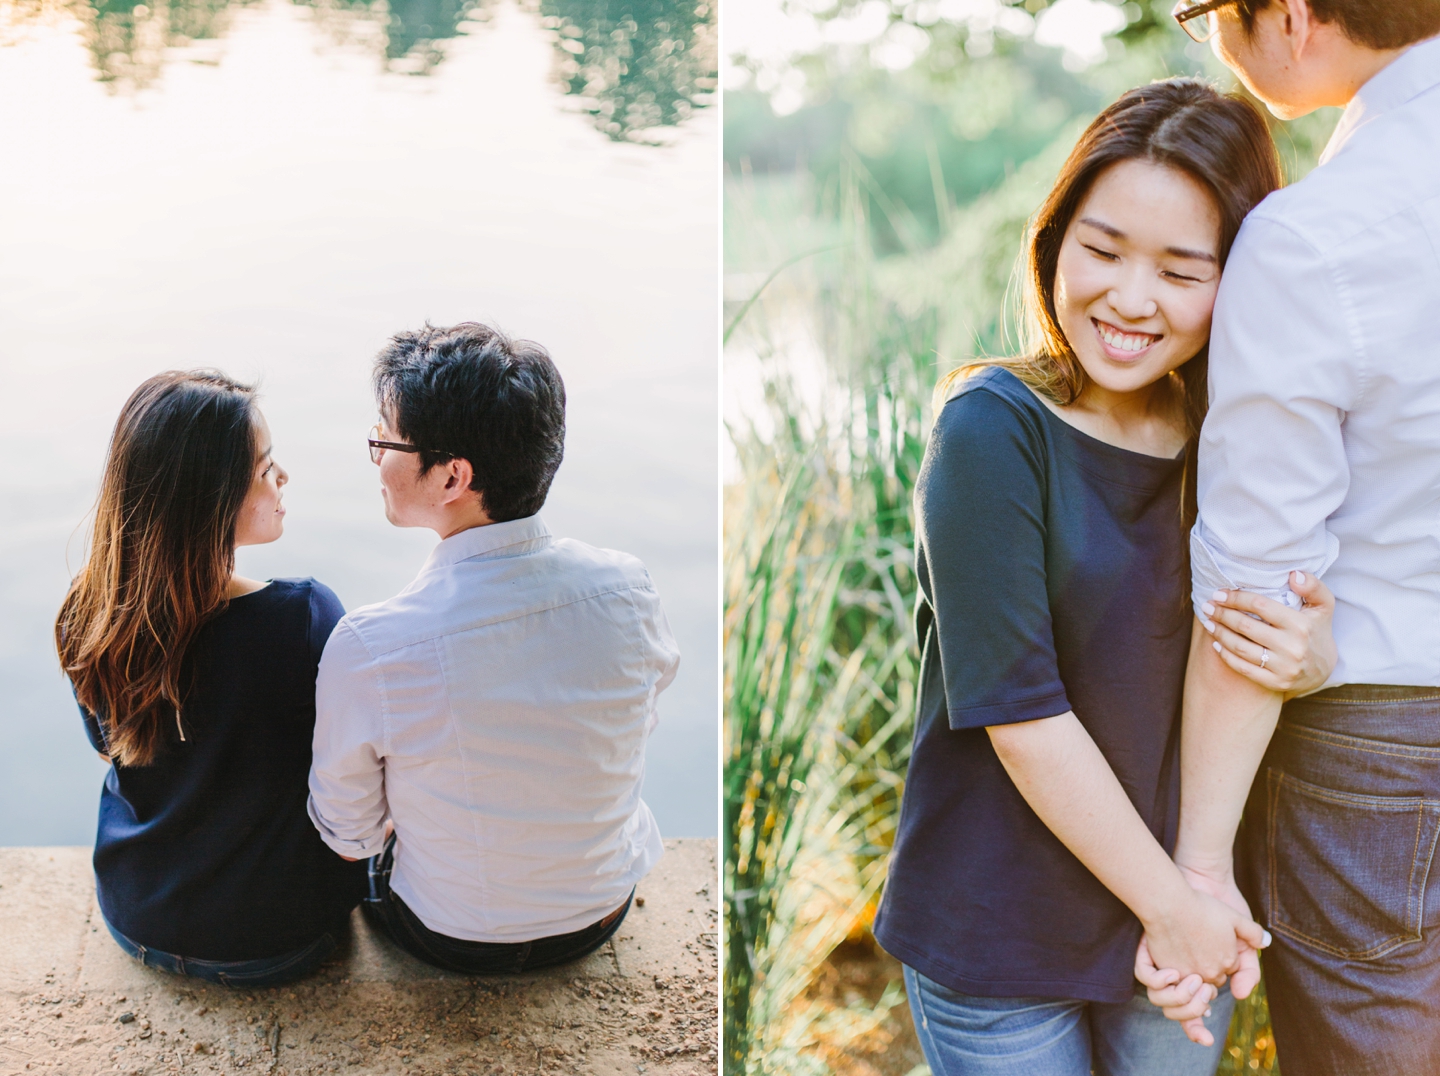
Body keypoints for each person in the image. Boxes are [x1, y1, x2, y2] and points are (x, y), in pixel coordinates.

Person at [870, 80, 1336, 1075]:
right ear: (1053, 243)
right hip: (1004, 926)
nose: (1130, 298)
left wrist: (1312, 653)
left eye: (1180, 269)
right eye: (1104, 248)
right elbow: (1023, 715)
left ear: (1239, 276)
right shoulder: (992, 430)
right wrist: (1178, 910)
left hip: (1178, 916)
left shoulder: (1238, 438)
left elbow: (1254, 645)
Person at [1143, 2, 1440, 1071]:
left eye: (1205, 12)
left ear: (1293, 16)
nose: (1208, 35)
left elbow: (1255, 592)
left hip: (1383, 746)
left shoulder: (1318, 232)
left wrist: (1200, 867)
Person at [306, 322, 679, 975]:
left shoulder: (372, 645)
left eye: (386, 438)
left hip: (453, 936)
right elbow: (634, 722)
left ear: (452, 477)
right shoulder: (628, 587)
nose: (376, 455)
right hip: (600, 912)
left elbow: (350, 836)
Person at [55, 371, 366, 988]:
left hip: (136, 915)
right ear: (211, 498)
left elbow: (106, 749)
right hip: (277, 940)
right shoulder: (304, 619)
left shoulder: (87, 612)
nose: (283, 478)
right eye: (265, 469)